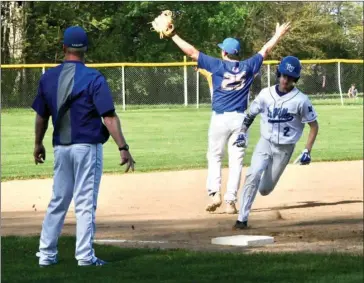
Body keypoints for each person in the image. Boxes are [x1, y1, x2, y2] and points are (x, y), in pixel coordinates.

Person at [32, 26, 135, 267]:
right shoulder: (94, 77)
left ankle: (46, 255)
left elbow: (41, 117)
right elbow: (108, 117)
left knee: (58, 200)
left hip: (61, 148)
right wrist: (123, 146)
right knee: (85, 202)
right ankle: (85, 257)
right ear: (85, 49)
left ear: (63, 48)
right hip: (87, 147)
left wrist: (37, 143)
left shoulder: (48, 77)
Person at [169, 23, 291, 214]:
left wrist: (174, 35)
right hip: (241, 120)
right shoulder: (248, 66)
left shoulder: (217, 65)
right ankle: (230, 202)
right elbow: (265, 50)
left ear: (224, 53)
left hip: (219, 119)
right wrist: (278, 35)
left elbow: (192, 52)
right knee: (236, 162)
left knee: (215, 157)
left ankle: (214, 193)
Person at [232, 56, 319, 229]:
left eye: (290, 77)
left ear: (295, 79)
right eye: (283, 75)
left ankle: (260, 190)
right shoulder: (266, 94)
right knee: (253, 174)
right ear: (279, 74)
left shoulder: (301, 100)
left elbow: (314, 126)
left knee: (265, 189)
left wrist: (307, 150)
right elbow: (250, 114)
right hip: (265, 142)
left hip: (284, 149)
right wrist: (242, 132)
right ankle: (242, 219)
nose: (285, 80)